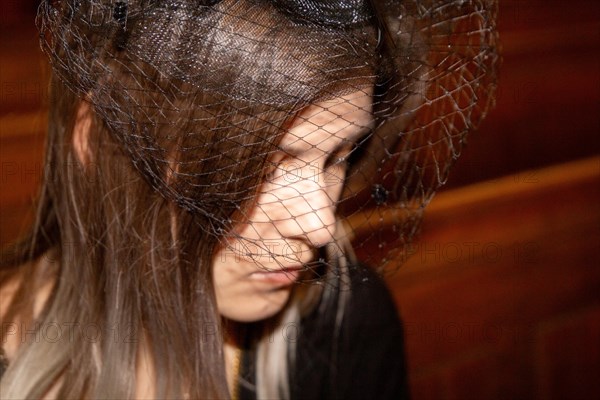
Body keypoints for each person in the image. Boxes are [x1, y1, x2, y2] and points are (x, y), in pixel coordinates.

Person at [0, 0, 498, 399]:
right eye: (263, 165)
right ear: (103, 142)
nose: (320, 225)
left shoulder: (341, 322)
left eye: (337, 158)